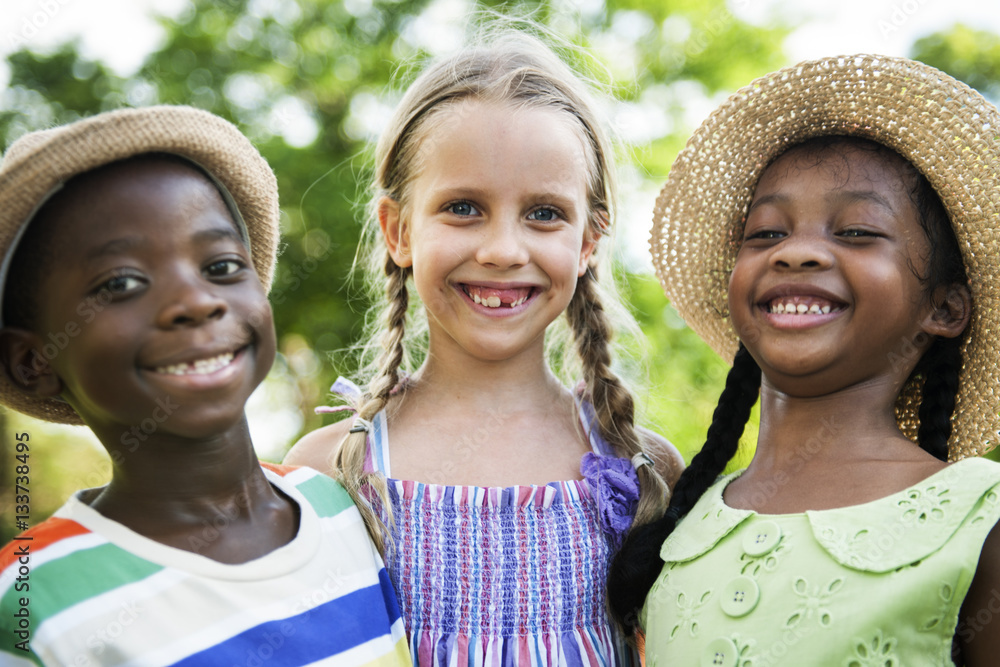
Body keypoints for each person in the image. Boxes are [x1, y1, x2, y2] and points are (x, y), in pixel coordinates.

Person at [284, 29, 684, 666]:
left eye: (545, 213)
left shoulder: (642, 470)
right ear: (398, 230)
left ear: (589, 242)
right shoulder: (330, 475)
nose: (502, 249)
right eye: (464, 207)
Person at [607, 54, 1000, 666]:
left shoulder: (980, 518)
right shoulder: (677, 525)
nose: (797, 252)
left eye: (857, 231)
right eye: (766, 233)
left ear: (945, 308)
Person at [0, 106, 410, 666]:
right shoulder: (32, 599)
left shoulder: (346, 506)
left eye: (219, 267)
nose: (196, 301)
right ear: (32, 360)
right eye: (121, 283)